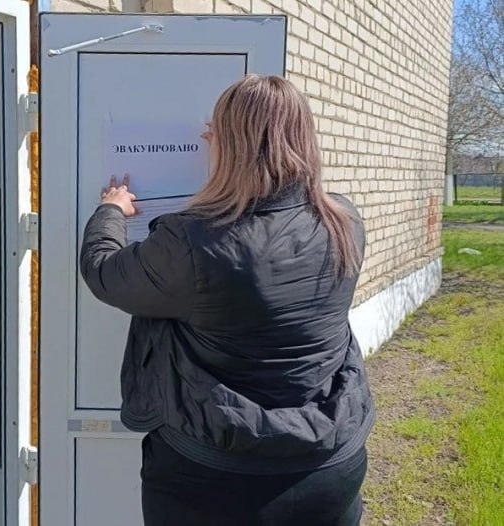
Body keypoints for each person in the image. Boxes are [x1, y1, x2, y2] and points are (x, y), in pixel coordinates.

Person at [79, 74, 375, 526]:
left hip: (216, 480)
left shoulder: (194, 242)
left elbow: (104, 273)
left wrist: (111, 211)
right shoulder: (344, 221)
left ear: (231, 143)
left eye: (216, 130)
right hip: (331, 467)